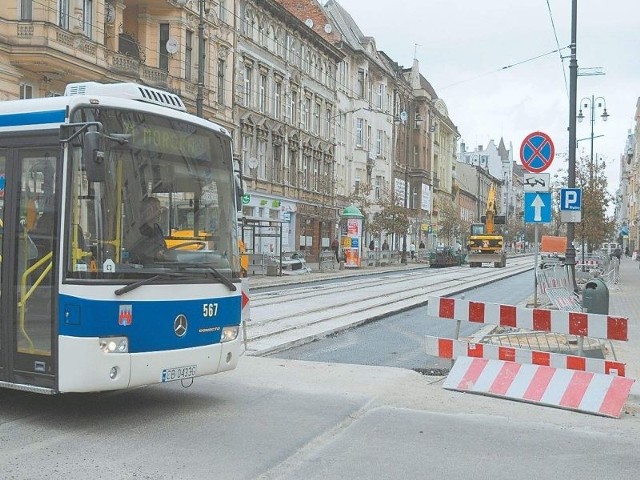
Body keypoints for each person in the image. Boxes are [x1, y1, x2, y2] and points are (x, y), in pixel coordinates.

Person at [128, 196, 167, 263]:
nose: (159, 212)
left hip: (159, 267)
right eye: (155, 209)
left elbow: (163, 246)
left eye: (159, 208)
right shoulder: (138, 230)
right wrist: (155, 254)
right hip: (143, 269)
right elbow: (135, 250)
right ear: (147, 211)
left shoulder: (157, 228)